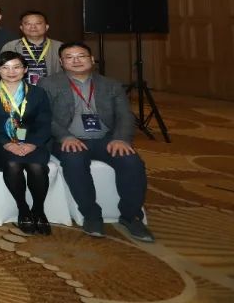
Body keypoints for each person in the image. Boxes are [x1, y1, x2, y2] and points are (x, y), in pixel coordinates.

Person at [40, 42, 153, 242]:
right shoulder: (48, 84)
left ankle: (131, 216)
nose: (76, 60)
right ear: (61, 62)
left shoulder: (111, 85)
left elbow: (125, 115)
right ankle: (91, 215)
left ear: (92, 59)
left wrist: (121, 139)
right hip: (68, 139)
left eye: (81, 56)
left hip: (106, 139)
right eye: (69, 57)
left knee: (132, 162)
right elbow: (44, 116)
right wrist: (65, 136)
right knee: (74, 161)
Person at [0, 52, 53, 235]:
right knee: (13, 164)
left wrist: (32, 144)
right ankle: (23, 209)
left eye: (16, 67)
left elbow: (44, 122)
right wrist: (7, 143)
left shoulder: (37, 93)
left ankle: (38, 210)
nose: (11, 72)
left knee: (37, 166)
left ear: (25, 69)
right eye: (5, 67)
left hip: (32, 140)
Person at [1, 11, 63, 85]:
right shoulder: (10, 46)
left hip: (52, 88)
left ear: (46, 27)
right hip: (20, 88)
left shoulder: (59, 46)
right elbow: (3, 69)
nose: (33, 27)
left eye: (38, 23)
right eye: (28, 24)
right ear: (21, 28)